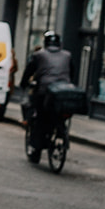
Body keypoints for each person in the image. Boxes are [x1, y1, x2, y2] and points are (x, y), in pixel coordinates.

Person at [21, 30, 73, 162]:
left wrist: (23, 84)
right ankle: (61, 133)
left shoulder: (39, 54)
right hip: (64, 92)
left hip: (44, 91)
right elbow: (72, 72)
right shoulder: (67, 55)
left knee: (39, 116)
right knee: (59, 115)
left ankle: (36, 150)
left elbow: (29, 71)